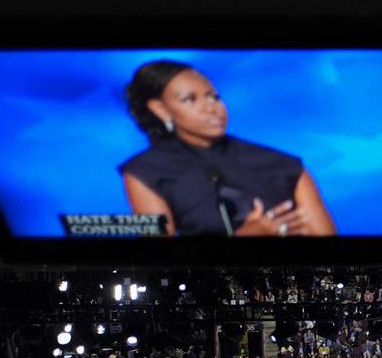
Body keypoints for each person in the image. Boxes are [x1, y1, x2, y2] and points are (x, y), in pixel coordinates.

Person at [118, 60, 337, 238]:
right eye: (190, 99)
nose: (211, 108)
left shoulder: (283, 164)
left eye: (214, 97)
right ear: (160, 109)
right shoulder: (145, 171)